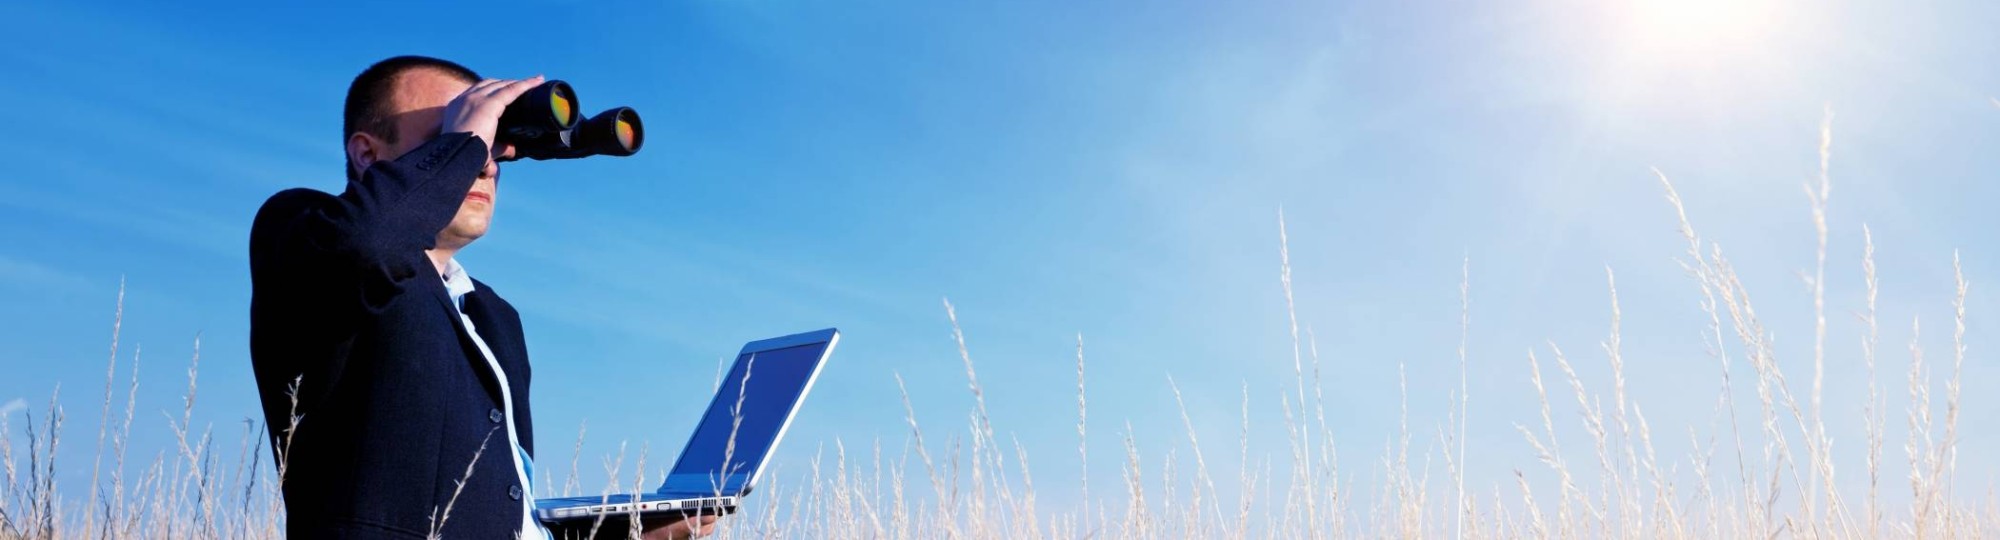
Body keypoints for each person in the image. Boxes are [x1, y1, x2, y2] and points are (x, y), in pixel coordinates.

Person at [249, 55, 716, 540]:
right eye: (448, 137)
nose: (484, 164)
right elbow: (369, 245)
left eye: (490, 144)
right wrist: (466, 140)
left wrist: (628, 534)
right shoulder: (302, 232)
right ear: (367, 154)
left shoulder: (493, 316)